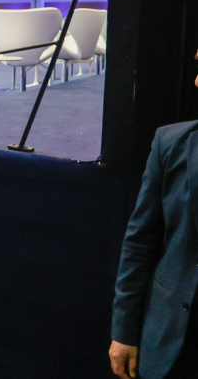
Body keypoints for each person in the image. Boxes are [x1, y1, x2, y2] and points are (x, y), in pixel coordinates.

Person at [109, 55, 198, 379]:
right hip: (174, 341)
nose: (197, 81)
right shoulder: (171, 143)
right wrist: (124, 330)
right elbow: (139, 243)